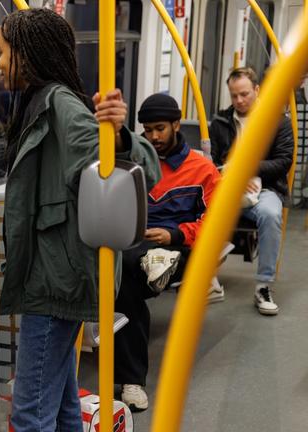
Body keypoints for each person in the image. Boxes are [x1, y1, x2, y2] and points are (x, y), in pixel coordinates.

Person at [0, 9, 161, 431]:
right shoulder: (40, 102)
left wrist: (120, 137)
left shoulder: (63, 109)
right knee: (67, 408)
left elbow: (134, 174)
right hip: (51, 273)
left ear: (28, 55)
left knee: (30, 411)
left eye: (3, 52)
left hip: (57, 281)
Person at [115, 93, 221, 411]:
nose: (153, 137)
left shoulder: (202, 171)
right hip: (136, 244)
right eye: (147, 131)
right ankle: (130, 380)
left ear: (177, 124)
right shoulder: (137, 164)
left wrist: (175, 233)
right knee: (127, 277)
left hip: (180, 246)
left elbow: (217, 225)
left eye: (160, 128)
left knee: (129, 273)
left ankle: (131, 380)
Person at [210, 67, 294, 316]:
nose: (239, 101)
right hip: (226, 187)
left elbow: (283, 161)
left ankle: (263, 285)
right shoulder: (220, 122)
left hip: (265, 187)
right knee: (199, 208)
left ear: (257, 90)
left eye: (244, 94)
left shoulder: (279, 122)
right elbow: (210, 162)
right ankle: (206, 277)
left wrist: (246, 170)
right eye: (234, 95)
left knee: (270, 214)